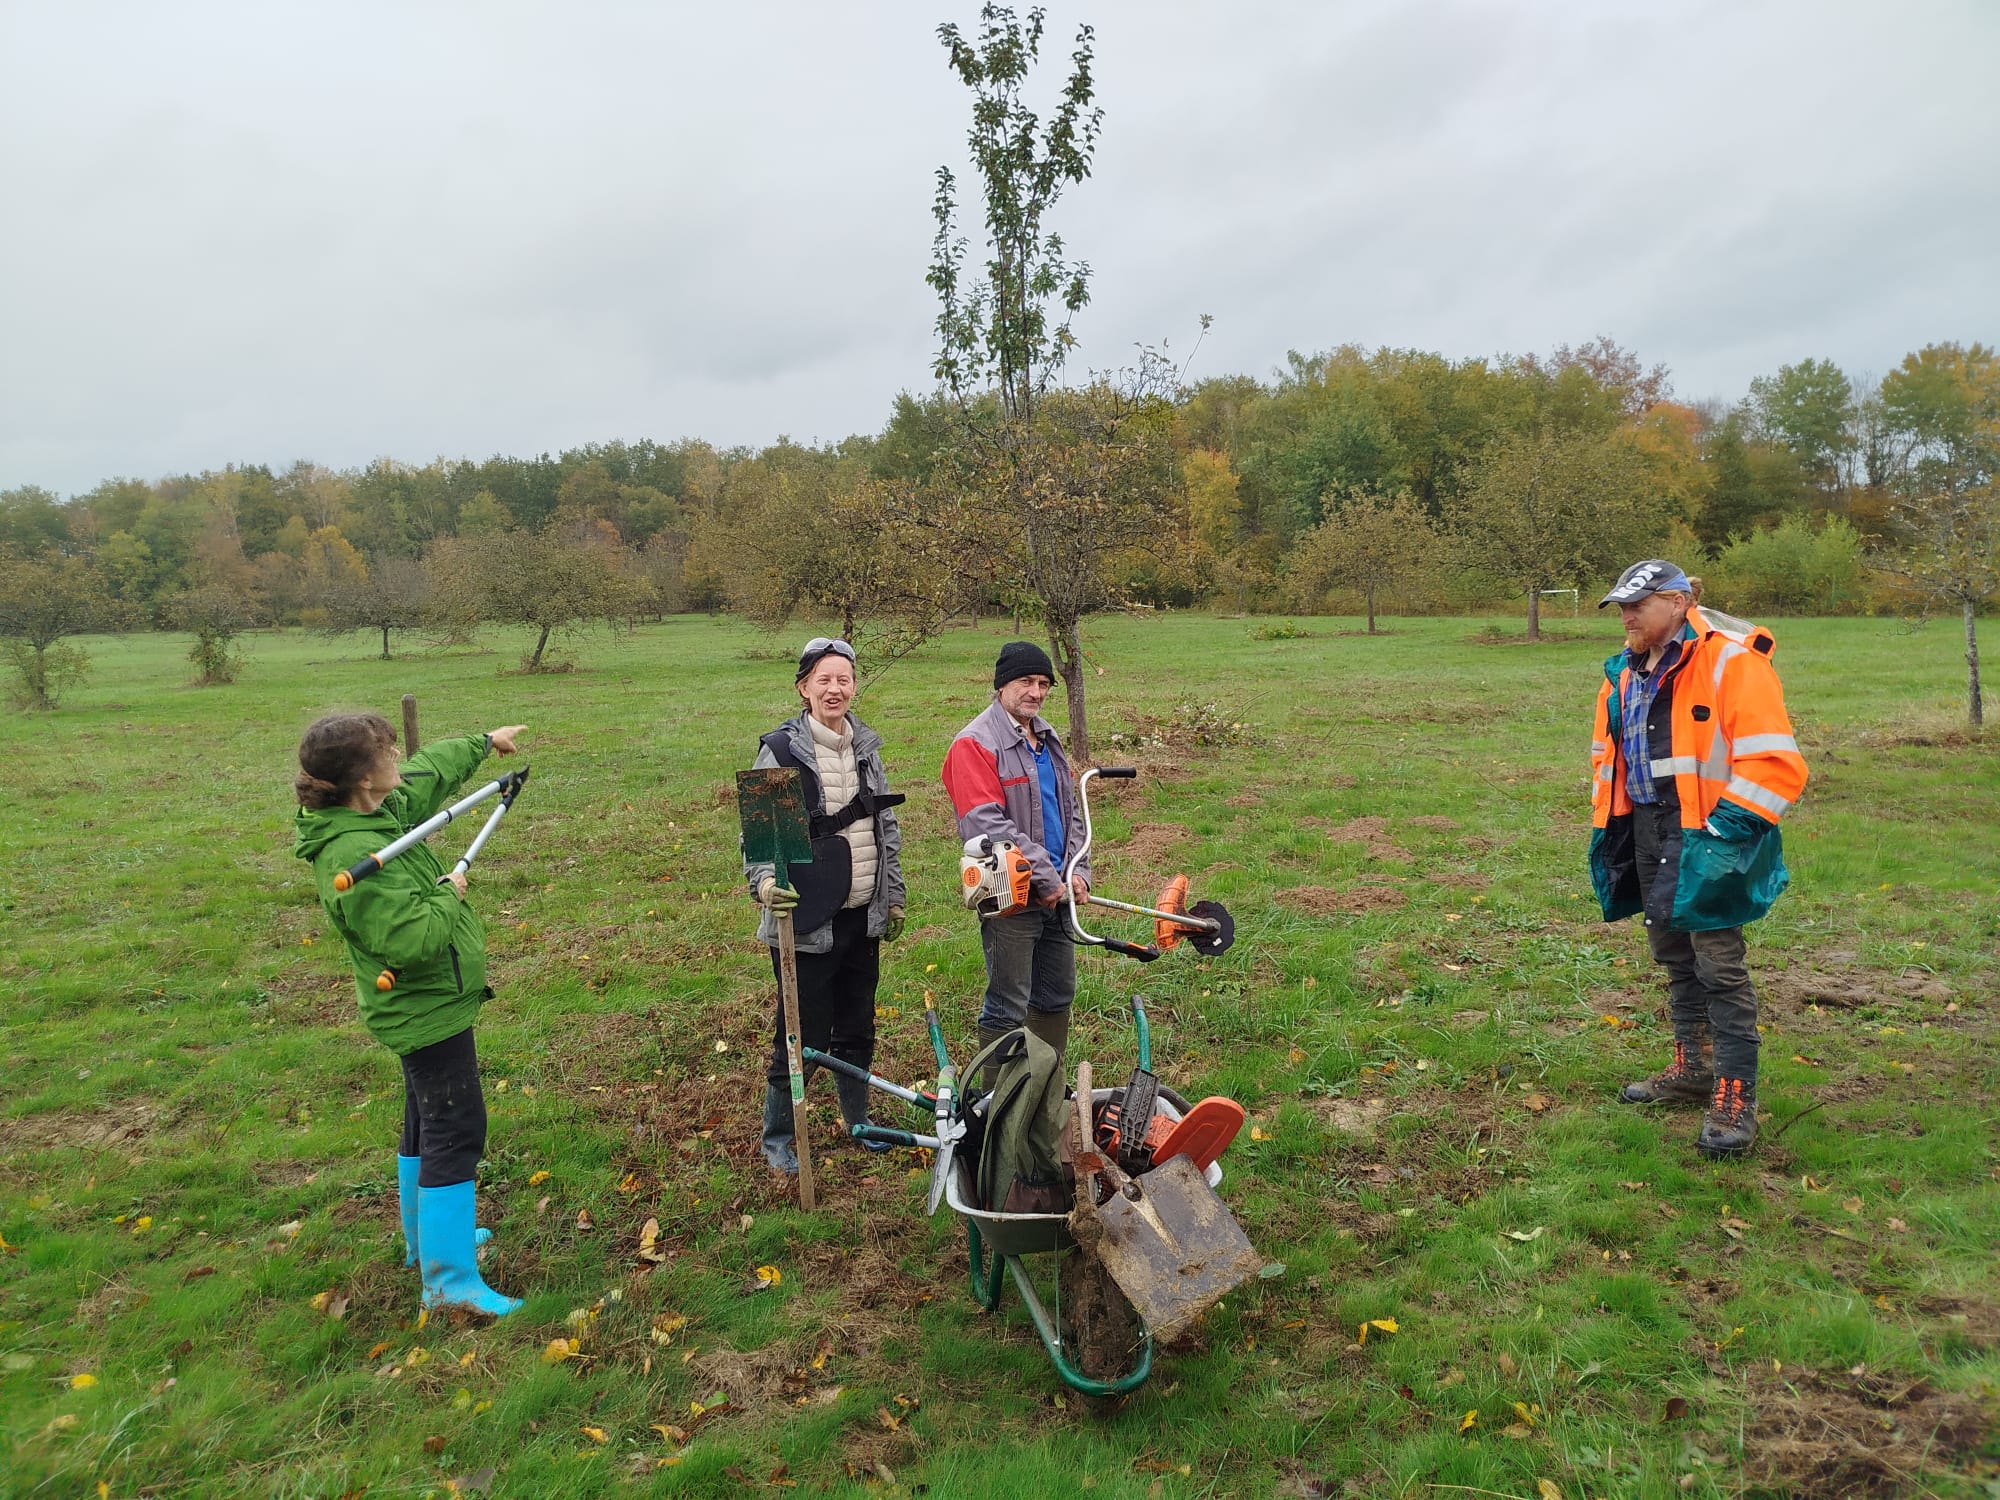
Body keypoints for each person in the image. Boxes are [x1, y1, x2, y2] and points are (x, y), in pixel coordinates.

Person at [293, 713, 528, 1315]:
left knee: (427, 1120)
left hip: (426, 1004)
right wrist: (451, 892)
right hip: (423, 1006)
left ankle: (424, 1242)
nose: (397, 755)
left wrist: (483, 743)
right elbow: (413, 939)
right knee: (455, 1127)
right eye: (385, 751)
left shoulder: (371, 809)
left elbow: (424, 776)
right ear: (363, 777)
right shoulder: (352, 852)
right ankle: (449, 1284)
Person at [1589, 560, 1808, 1157]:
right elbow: (1611, 761)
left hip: (1708, 832)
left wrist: (1722, 831)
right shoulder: (1625, 672)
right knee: (1673, 952)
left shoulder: (1733, 663)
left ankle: (1735, 1096)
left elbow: (1774, 763)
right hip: (1647, 830)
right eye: (1621, 606)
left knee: (1719, 964)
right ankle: (1692, 1069)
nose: (1627, 616)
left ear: (1682, 601)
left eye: (1640, 603)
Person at [743, 637, 907, 1174]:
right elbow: (762, 837)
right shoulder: (782, 751)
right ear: (804, 688)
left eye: (844, 679)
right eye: (823, 680)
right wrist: (766, 886)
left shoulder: (866, 747)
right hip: (806, 917)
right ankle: (778, 1139)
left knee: (856, 1026)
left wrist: (893, 897)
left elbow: (886, 828)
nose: (835, 689)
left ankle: (856, 1122)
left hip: (861, 912)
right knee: (801, 1032)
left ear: (854, 686)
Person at [942, 641, 1091, 1065]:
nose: (1037, 692)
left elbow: (1071, 809)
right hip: (1011, 893)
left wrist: (1079, 871)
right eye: (1027, 681)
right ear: (1002, 685)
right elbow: (987, 826)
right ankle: (1000, 1110)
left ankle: (1043, 1095)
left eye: (1044, 683)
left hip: (1058, 891)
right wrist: (1047, 877)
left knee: (1056, 994)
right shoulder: (973, 744)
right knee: (1008, 1003)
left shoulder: (1046, 737)